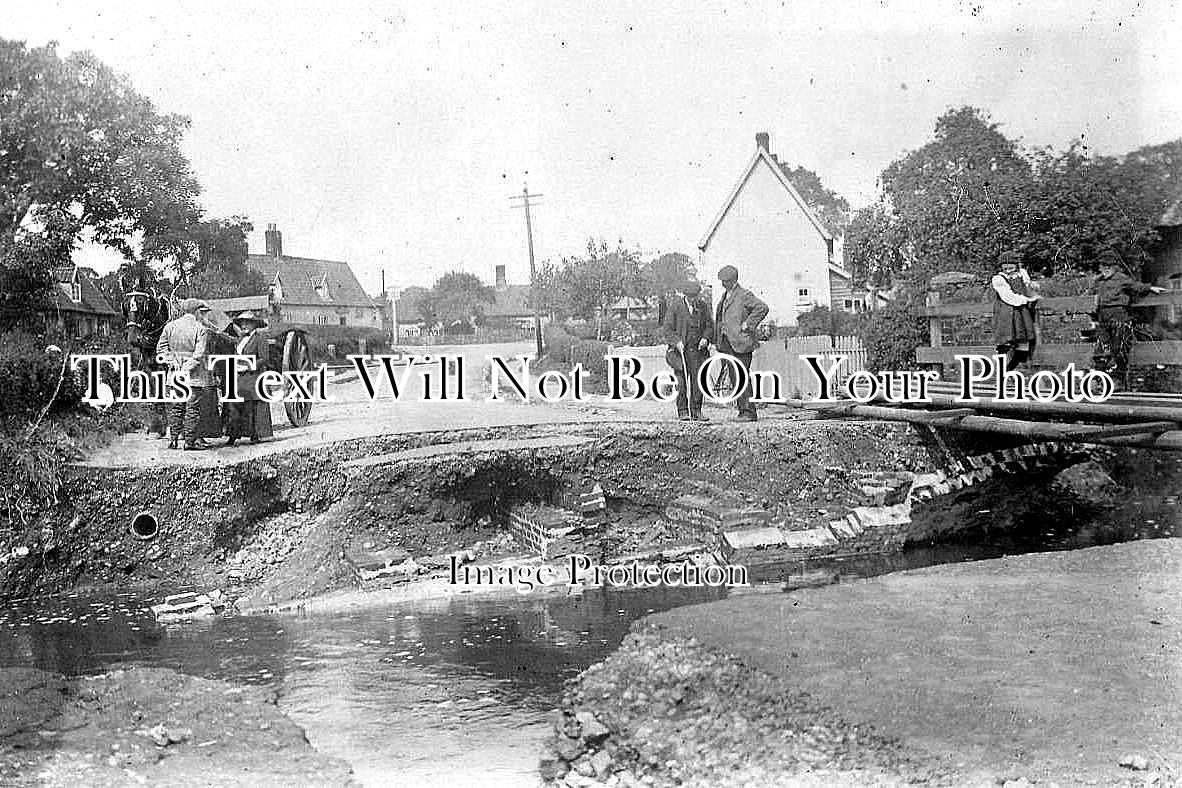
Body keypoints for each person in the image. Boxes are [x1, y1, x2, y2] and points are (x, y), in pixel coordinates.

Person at [1091, 250, 1165, 389]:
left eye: (1109, 265)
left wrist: (1150, 288)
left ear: (1114, 266)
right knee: (1101, 348)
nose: (1105, 268)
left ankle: (1118, 380)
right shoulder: (1098, 281)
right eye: (1102, 265)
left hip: (1119, 316)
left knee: (1120, 348)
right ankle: (1098, 379)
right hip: (1103, 317)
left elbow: (1136, 286)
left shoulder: (1122, 278)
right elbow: (1093, 296)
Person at [712, 265, 768, 422]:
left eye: (726, 281)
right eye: (722, 281)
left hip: (741, 343)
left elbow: (762, 308)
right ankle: (742, 411)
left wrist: (748, 324)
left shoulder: (744, 295)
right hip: (727, 344)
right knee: (735, 377)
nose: (723, 284)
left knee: (741, 376)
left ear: (734, 280)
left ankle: (749, 412)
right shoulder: (725, 296)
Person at [156, 299, 212, 450]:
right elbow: (198, 355)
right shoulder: (200, 329)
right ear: (195, 312)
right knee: (192, 409)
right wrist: (186, 368)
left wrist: (172, 363)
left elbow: (161, 349)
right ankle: (189, 442)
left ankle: (173, 440)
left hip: (174, 375)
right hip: (193, 377)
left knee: (176, 407)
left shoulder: (170, 326)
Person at [661, 281, 713, 421]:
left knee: (698, 382)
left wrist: (705, 339)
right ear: (685, 296)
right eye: (690, 297)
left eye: (695, 296)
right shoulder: (675, 307)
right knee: (681, 381)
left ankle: (696, 411)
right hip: (680, 353)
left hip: (698, 351)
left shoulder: (703, 306)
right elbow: (667, 328)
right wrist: (676, 341)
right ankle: (683, 411)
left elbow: (709, 325)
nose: (693, 300)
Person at [222, 310, 274, 445]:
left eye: (248, 323)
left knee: (251, 407)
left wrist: (249, 366)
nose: (244, 325)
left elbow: (264, 359)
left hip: (254, 377)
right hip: (239, 377)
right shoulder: (240, 339)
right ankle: (232, 436)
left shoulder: (260, 338)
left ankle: (254, 435)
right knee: (234, 406)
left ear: (254, 325)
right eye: (242, 323)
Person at [990, 251, 1040, 372]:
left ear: (1016, 265)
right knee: (1006, 340)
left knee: (1024, 343)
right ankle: (1002, 371)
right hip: (1007, 313)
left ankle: (1009, 369)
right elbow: (1008, 296)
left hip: (1022, 313)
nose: (1008, 270)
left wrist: (1034, 290)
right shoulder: (999, 279)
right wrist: (1025, 300)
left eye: (1011, 267)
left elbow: (1028, 287)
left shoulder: (1022, 274)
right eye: (1005, 268)